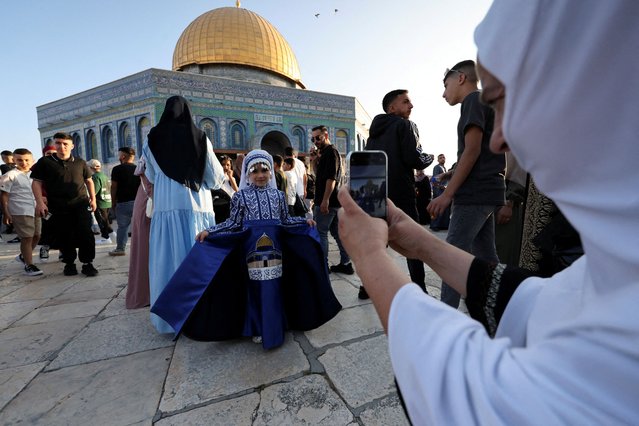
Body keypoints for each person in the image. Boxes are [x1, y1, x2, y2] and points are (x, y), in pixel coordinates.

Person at [336, 1, 639, 423]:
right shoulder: (621, 258)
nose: (501, 141)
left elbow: (476, 397)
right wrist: (419, 241)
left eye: (502, 104)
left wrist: (370, 257)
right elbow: (548, 302)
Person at [151, 149, 340, 350]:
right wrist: (210, 231)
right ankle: (258, 327)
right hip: (252, 253)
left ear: (270, 172)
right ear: (247, 174)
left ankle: (277, 325)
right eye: (254, 171)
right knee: (256, 290)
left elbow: (286, 220)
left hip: (275, 252)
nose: (260, 175)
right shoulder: (240, 197)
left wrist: (305, 221)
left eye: (264, 170)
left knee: (275, 288)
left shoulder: (278, 195)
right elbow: (233, 223)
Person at [144, 95, 224, 334]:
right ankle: (199, 316)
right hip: (197, 207)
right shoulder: (199, 138)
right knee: (196, 261)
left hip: (166, 209)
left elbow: (150, 175)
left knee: (167, 261)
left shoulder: (151, 141)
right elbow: (215, 177)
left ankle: (169, 320)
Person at [428, 60, 505, 308]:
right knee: (486, 256)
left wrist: (447, 195)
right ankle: (498, 304)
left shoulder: (473, 100)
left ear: (461, 78)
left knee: (452, 257)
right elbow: (479, 152)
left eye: (446, 84)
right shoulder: (484, 101)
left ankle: (445, 317)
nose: (443, 93)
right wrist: (451, 174)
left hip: (474, 193)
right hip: (488, 190)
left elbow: (472, 151)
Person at [365, 89, 434, 297]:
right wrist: (429, 157)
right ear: (392, 108)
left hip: (376, 192)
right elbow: (415, 158)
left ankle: (368, 286)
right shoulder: (406, 125)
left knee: (377, 241)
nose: (411, 106)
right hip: (401, 191)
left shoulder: (374, 132)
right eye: (406, 102)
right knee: (412, 240)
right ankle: (420, 288)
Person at [31, 132, 98, 277]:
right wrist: (40, 202)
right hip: (58, 206)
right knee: (64, 235)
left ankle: (88, 263)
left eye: (65, 144)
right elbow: (36, 182)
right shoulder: (45, 162)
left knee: (86, 233)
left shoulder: (80, 162)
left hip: (80, 203)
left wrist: (93, 199)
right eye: (58, 143)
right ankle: (69, 264)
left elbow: (89, 181)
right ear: (54, 144)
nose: (62, 146)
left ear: (72, 146)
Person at [311, 125, 353, 276]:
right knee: (337, 233)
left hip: (328, 201)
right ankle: (346, 263)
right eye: (313, 139)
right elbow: (319, 175)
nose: (316, 141)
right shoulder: (324, 154)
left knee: (321, 232)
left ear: (326, 135)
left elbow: (331, 179)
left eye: (318, 138)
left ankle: (323, 265)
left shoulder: (331, 152)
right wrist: (315, 160)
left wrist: (325, 200)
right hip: (332, 201)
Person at [0, 149, 42, 276]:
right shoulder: (9, 175)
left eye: (26, 160)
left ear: (32, 160)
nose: (24, 162)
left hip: (34, 208)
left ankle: (24, 256)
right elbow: (4, 196)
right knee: (27, 237)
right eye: (20, 160)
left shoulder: (35, 175)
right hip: (20, 210)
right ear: (14, 160)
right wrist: (6, 213)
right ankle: (29, 265)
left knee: (37, 236)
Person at [126, 156, 152, 309]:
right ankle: (145, 293)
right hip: (148, 205)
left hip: (147, 203)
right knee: (144, 249)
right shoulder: (152, 147)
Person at [109, 147, 140, 256]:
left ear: (122, 156)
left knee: (122, 227)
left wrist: (112, 202)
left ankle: (120, 248)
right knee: (140, 226)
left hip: (122, 203)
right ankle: (143, 248)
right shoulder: (138, 169)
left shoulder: (117, 169)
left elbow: (114, 187)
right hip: (138, 202)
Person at [37, 144, 57, 260]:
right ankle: (45, 248)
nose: (51, 156)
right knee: (47, 227)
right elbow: (34, 185)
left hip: (58, 203)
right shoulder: (38, 167)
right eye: (48, 154)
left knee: (60, 227)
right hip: (44, 204)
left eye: (53, 153)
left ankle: (62, 250)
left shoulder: (60, 166)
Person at [87, 159, 114, 244]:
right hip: (107, 200)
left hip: (100, 202)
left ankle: (105, 237)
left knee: (101, 220)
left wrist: (89, 198)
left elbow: (94, 191)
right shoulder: (104, 176)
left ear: (91, 168)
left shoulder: (95, 177)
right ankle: (111, 233)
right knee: (105, 219)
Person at [429, 154, 450, 231]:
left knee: (444, 208)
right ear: (438, 160)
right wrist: (439, 187)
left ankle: (443, 225)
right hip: (438, 191)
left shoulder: (444, 168)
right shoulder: (437, 167)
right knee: (437, 208)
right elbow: (434, 179)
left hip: (444, 191)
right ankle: (434, 225)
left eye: (443, 157)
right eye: (440, 158)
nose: (442, 159)